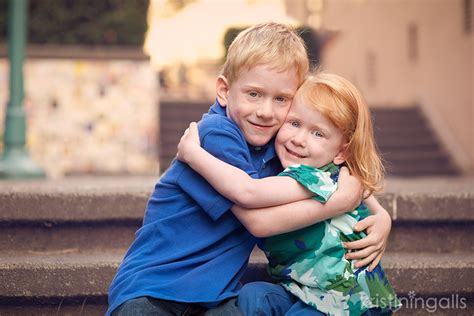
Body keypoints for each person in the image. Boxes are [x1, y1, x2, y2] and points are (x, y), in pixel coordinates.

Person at [107, 22, 391, 316]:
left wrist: (381, 215)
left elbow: (338, 173)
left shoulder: (279, 144)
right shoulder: (215, 136)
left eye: (281, 99)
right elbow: (258, 218)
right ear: (224, 91)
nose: (266, 111)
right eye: (254, 94)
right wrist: (340, 202)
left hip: (213, 296)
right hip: (154, 287)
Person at [177, 73, 401, 315]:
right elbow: (354, 186)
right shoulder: (320, 174)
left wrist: (194, 155)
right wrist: (381, 214)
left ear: (341, 153)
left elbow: (250, 192)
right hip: (303, 291)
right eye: (294, 123)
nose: (299, 139)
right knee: (253, 296)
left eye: (318, 134)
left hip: (346, 301)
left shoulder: (312, 177)